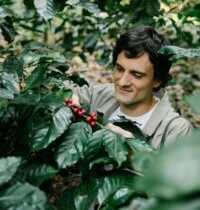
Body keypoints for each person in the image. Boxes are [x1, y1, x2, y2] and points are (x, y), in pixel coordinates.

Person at [65, 25, 193, 149]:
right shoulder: (99, 94)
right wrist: (66, 94)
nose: (122, 82)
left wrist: (135, 157)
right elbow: (52, 86)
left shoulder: (177, 132)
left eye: (137, 75)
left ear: (157, 80)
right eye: (120, 69)